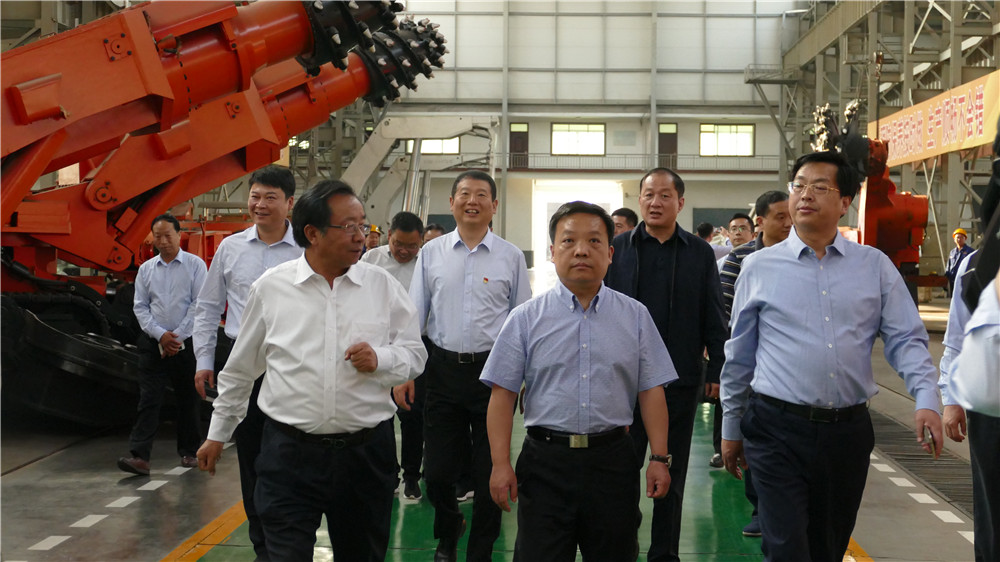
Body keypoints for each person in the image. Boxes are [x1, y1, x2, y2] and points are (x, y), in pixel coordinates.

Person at [720, 151, 943, 562]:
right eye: (799, 186)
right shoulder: (758, 268)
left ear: (845, 203)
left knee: (828, 547)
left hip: (846, 434)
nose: (806, 195)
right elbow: (739, 356)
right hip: (775, 428)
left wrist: (927, 399)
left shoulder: (873, 267)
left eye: (820, 187)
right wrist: (731, 426)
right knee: (786, 547)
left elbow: (906, 339)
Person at [196, 180, 427, 562]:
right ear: (313, 233)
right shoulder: (272, 289)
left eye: (362, 225)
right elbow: (240, 370)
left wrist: (382, 359)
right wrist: (217, 434)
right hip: (289, 457)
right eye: (348, 226)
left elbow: (415, 354)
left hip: (365, 458)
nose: (360, 236)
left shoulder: (381, 286)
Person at [483, 201, 676, 561]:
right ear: (552, 252)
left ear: (610, 254)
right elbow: (502, 395)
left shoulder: (635, 316)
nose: (582, 250)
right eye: (569, 241)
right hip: (545, 464)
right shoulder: (525, 319)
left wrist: (659, 458)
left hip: (613, 463)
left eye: (594, 241)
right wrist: (499, 464)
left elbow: (651, 391)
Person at [605, 167, 728, 562]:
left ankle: (664, 553)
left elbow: (713, 314)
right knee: (621, 474)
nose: (655, 202)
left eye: (664, 195)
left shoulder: (699, 253)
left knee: (670, 473)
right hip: (623, 383)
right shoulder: (617, 249)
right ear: (639, 199)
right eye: (648, 194)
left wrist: (716, 369)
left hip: (679, 380)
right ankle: (621, 549)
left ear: (680, 202)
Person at [408, 170, 531, 562]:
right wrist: (406, 371)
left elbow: (522, 322)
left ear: (494, 205)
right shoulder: (431, 253)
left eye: (481, 195)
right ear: (451, 203)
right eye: (464, 193)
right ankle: (449, 530)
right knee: (437, 474)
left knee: (489, 471)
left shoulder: (510, 257)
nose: (472, 201)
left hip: (494, 377)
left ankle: (481, 550)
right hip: (442, 372)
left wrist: (525, 378)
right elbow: (415, 316)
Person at [191, 164, 301, 559]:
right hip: (243, 364)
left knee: (291, 455)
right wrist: (204, 360)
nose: (260, 204)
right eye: (255, 196)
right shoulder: (231, 248)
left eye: (271, 197)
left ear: (289, 203)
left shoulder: (307, 249)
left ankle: (289, 539)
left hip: (293, 367)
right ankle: (262, 547)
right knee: (251, 459)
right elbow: (208, 308)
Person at [715, 189, 791, 536]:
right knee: (753, 434)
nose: (788, 223)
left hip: (784, 367)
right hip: (751, 362)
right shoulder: (740, 259)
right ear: (760, 221)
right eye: (780, 217)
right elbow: (726, 309)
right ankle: (760, 509)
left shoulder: (803, 257)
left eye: (791, 216)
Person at [118, 214, 207, 476]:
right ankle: (140, 457)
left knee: (188, 399)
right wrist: (160, 336)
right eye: (158, 236)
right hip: (153, 344)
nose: (163, 241)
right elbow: (140, 307)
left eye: (168, 235)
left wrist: (177, 337)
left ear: (179, 235)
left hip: (186, 343)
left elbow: (199, 304)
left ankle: (190, 452)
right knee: (148, 399)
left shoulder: (195, 266)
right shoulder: (146, 270)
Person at [363, 211, 426, 500]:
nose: (404, 251)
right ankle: (388, 475)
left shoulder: (425, 263)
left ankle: (411, 476)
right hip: (377, 348)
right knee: (380, 414)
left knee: (412, 414)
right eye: (398, 244)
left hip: (414, 346)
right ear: (389, 236)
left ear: (421, 241)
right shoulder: (370, 260)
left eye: (411, 246)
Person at [951, 268, 1000, 562]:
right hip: (991, 411)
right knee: (992, 518)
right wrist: (951, 400)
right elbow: (958, 336)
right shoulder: (978, 265)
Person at [946, 228, 974, 296]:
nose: (959, 239)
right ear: (954, 239)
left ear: (965, 239)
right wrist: (946, 277)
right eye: (957, 237)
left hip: (963, 280)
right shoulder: (952, 252)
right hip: (952, 280)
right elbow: (948, 265)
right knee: (953, 297)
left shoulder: (970, 251)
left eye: (961, 237)